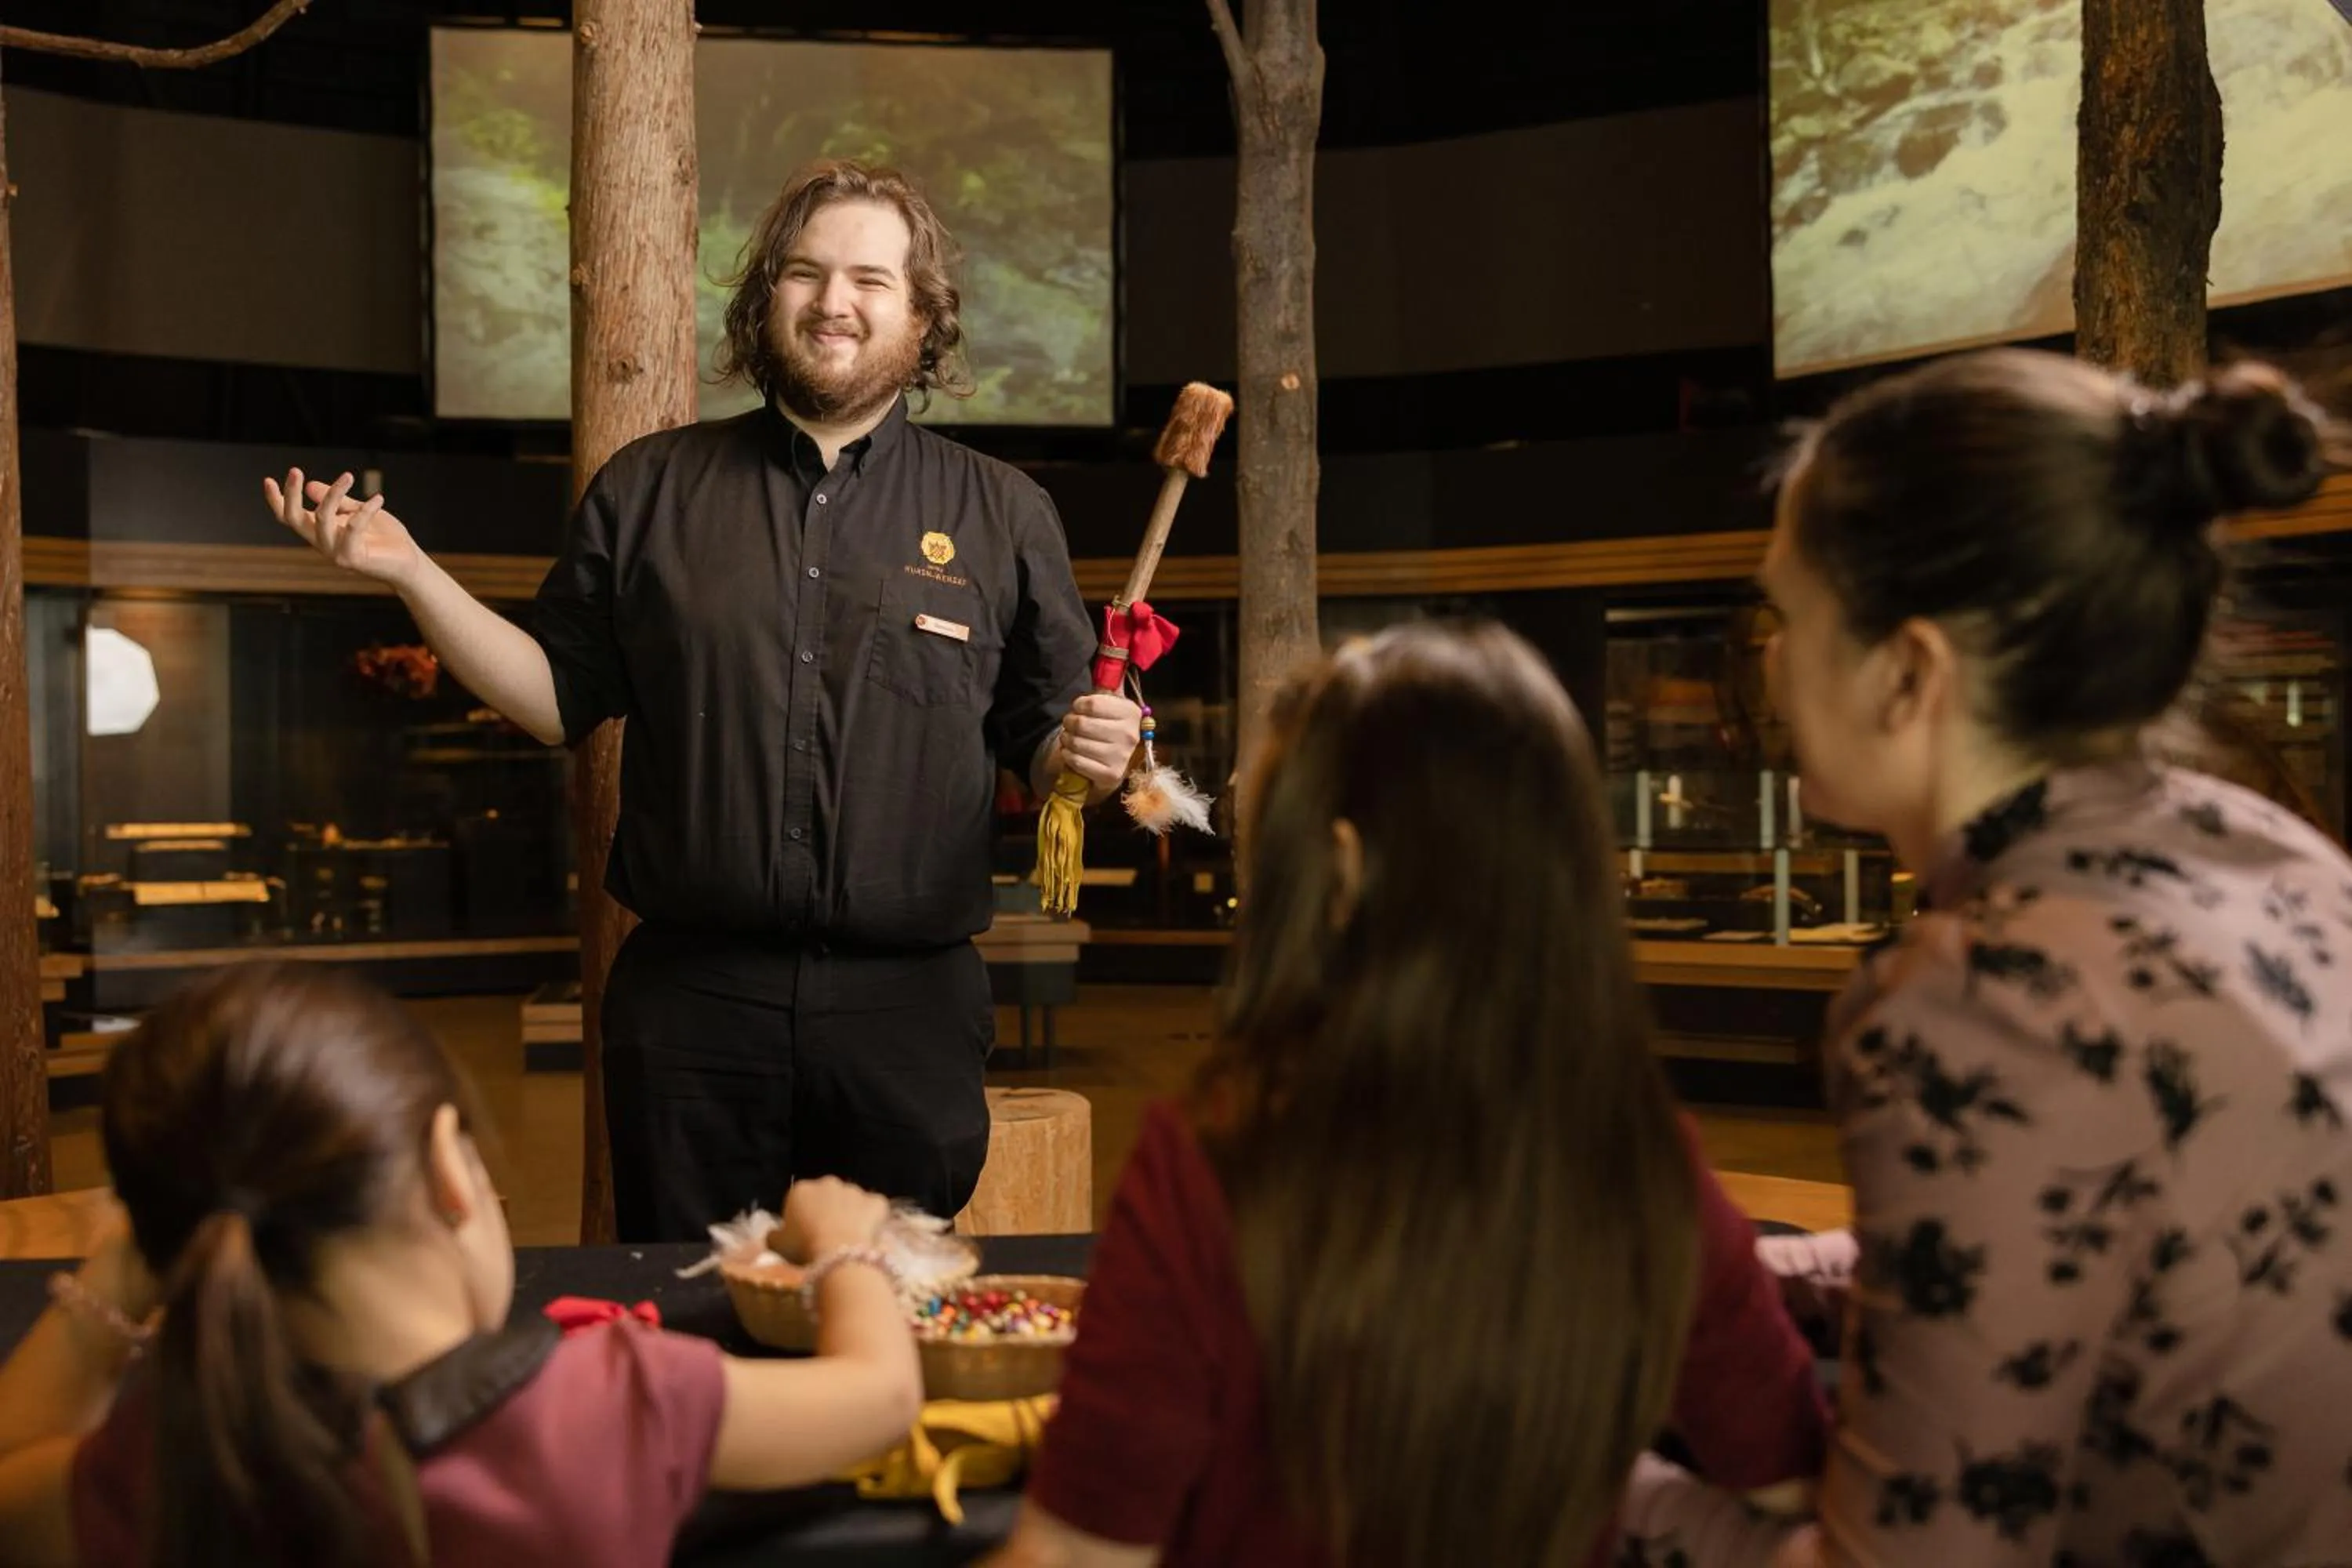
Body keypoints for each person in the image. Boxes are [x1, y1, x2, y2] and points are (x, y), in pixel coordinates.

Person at [262, 159, 1141, 1240]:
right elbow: (553, 700)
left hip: (906, 1012)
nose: (835, 301)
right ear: (764, 294)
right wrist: (410, 572)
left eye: (872, 278)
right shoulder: (648, 489)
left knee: (894, 1319)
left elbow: (1046, 749)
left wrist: (1090, 759)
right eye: (806, 273)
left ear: (922, 313)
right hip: (690, 1009)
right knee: (689, 1324)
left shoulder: (1004, 513)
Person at [1624, 349, 2351, 1564]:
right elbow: (2072, 1228)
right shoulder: (2261, 843)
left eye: (1785, 617)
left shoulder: (1981, 999)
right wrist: (1764, 1273)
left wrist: (1540, 1478)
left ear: (1910, 672)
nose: (1766, 662)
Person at [983, 622, 1830, 1568]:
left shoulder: (1219, 1159)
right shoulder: (1640, 1159)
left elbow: (1072, 1553)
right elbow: (1796, 1476)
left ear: (1341, 872)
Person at [0, 962, 922, 1568]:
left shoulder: (172, 1458)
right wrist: (848, 1246)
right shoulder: (609, 1403)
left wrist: (113, 1280)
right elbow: (878, 1394)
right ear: (450, 1165)